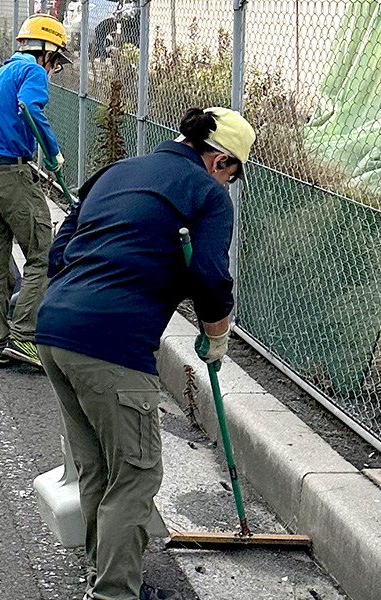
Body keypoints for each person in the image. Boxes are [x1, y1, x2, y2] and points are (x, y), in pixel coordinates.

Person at [35, 108, 256, 600]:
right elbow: (211, 277)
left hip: (54, 327)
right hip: (113, 344)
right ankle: (116, 593)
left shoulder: (117, 172)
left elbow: (59, 249)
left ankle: (104, 574)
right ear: (220, 161)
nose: (229, 184)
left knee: (98, 468)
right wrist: (216, 336)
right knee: (135, 475)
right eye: (233, 174)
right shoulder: (207, 195)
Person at [0, 14, 70, 369]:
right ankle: (24, 337)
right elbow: (30, 107)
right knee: (44, 254)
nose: (54, 69)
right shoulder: (32, 72)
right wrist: (53, 153)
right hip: (11, 174)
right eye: (56, 60)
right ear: (47, 52)